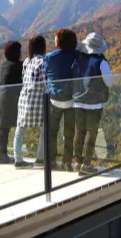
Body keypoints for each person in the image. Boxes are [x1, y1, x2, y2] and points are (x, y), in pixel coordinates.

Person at [71, 33, 114, 175]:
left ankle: (77, 162)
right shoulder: (101, 62)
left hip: (78, 100)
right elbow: (109, 82)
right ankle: (87, 163)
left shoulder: (78, 60)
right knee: (91, 131)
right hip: (94, 103)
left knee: (79, 131)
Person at [43, 28, 79, 170]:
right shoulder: (78, 55)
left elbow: (46, 74)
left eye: (56, 37)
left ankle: (51, 160)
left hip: (54, 99)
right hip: (72, 100)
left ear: (60, 40)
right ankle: (67, 162)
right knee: (69, 133)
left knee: (52, 132)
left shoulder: (50, 57)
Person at [13, 35, 47, 169]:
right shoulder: (43, 62)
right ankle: (40, 158)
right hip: (38, 101)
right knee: (45, 128)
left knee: (20, 129)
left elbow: (23, 78)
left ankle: (18, 159)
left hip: (23, 99)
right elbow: (46, 82)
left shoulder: (27, 61)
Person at [0, 41, 23, 164]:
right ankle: (3, 155)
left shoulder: (3, 63)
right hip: (9, 98)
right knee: (5, 128)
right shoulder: (19, 65)